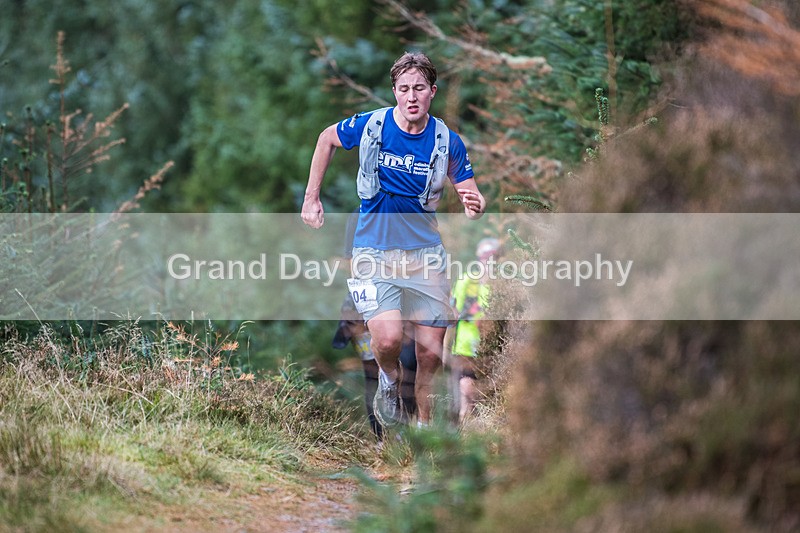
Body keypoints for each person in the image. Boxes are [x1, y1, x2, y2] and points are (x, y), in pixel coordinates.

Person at [302, 51, 485, 426]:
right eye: (404, 89)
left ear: (432, 91)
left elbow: (468, 189)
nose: (412, 96)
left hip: (425, 254)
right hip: (374, 250)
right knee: (385, 340)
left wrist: (474, 202)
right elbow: (326, 138)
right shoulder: (372, 125)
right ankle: (388, 379)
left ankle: (421, 431)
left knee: (430, 355)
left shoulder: (447, 141)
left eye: (419, 88)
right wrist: (311, 197)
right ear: (395, 91)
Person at [331, 212, 417, 440]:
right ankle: (381, 438)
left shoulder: (405, 209)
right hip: (363, 307)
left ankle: (406, 434)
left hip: (402, 302)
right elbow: (351, 262)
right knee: (372, 374)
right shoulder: (357, 217)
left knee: (407, 366)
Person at [446, 237, 499, 423]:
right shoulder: (467, 281)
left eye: (493, 256)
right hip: (466, 345)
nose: (489, 260)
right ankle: (464, 437)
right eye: (485, 256)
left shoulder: (503, 285)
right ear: (478, 258)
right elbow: (453, 312)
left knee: (488, 398)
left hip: (493, 348)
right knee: (466, 399)